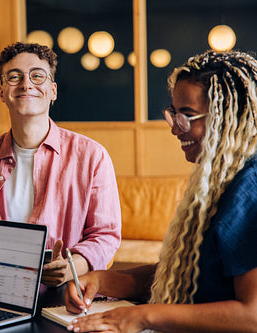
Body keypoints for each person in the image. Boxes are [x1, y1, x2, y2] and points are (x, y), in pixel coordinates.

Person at [65, 50, 257, 332]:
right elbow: (190, 273)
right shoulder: (219, 180)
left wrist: (143, 316)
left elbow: (252, 315)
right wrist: (103, 280)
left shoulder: (249, 189)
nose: (175, 129)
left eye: (187, 116)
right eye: (173, 113)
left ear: (227, 116)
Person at [0, 42, 121, 287]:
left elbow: (105, 236)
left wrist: (72, 267)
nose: (26, 84)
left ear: (53, 91)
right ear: (1, 91)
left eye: (37, 76)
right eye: (14, 76)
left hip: (65, 295)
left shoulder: (93, 157)